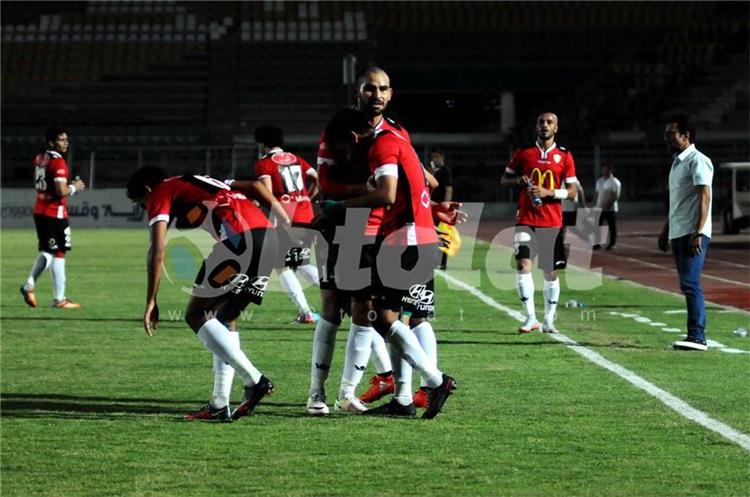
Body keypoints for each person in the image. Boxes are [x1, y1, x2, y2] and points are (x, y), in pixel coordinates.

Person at [321, 108, 457, 419]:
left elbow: (386, 194)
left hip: (406, 238)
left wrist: (337, 207)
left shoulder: (381, 145)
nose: (348, 155)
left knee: (384, 318)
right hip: (416, 234)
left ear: (353, 138)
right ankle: (404, 399)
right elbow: (429, 182)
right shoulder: (397, 139)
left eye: (345, 149)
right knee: (398, 318)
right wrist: (428, 216)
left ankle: (436, 381)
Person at [126, 167, 288, 421]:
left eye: (142, 202)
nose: (146, 207)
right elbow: (257, 187)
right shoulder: (204, 180)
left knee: (196, 314)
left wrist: (151, 300)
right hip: (270, 241)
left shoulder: (160, 190)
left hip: (239, 244)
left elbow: (157, 249)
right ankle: (219, 404)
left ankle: (255, 380)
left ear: (147, 190)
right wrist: (286, 220)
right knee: (225, 318)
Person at [307, 67, 405, 416]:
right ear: (357, 91)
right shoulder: (336, 129)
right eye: (369, 88)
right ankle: (316, 394)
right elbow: (326, 184)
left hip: (379, 232)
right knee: (332, 309)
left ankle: (347, 394)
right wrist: (363, 190)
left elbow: (408, 182)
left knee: (366, 312)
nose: (376, 95)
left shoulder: (396, 133)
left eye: (382, 89)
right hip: (340, 228)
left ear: (390, 94)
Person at [500, 112, 578, 334]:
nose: (545, 125)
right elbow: (504, 180)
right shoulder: (523, 153)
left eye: (549, 122)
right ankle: (530, 318)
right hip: (525, 219)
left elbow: (572, 191)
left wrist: (548, 192)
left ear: (556, 128)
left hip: (551, 221)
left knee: (550, 272)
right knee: (522, 265)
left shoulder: (564, 156)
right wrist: (518, 180)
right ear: (536, 127)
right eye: (541, 122)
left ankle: (549, 319)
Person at [253, 124, 320, 324]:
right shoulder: (296, 159)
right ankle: (343, 295)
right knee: (299, 263)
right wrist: (308, 199)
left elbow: (267, 192)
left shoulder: (264, 163)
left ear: (262, 143)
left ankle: (306, 313)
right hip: (306, 215)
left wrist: (256, 203)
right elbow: (318, 179)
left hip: (286, 217)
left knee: (281, 266)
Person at [658, 114, 713, 352]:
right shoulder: (677, 163)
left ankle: (697, 336)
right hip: (679, 230)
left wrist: (698, 232)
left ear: (685, 135)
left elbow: (705, 196)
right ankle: (694, 334)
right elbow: (677, 202)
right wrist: (666, 230)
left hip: (692, 231)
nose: (667, 138)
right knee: (686, 283)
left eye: (671, 133)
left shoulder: (698, 161)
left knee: (691, 282)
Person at [20, 126, 86, 309]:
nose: (66, 143)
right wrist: (75, 187)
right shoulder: (58, 162)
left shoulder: (40, 158)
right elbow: (61, 190)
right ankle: (58, 298)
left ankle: (32, 287)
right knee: (58, 252)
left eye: (66, 139)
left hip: (40, 209)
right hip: (54, 212)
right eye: (61, 140)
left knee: (50, 251)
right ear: (51, 142)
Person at [429, 148, 453, 270]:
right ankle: (433, 260)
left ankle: (442, 262)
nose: (434, 159)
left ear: (442, 157)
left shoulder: (445, 171)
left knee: (442, 234)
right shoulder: (433, 171)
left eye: (436, 157)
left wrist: (446, 206)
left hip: (440, 208)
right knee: (431, 233)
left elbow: (449, 189)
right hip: (432, 207)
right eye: (433, 157)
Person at [593, 162, 621, 250]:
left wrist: (609, 204)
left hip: (610, 209)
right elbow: (596, 194)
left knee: (612, 227)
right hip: (599, 207)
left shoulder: (615, 182)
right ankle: (597, 243)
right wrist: (594, 204)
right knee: (598, 226)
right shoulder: (599, 181)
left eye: (606, 170)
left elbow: (616, 195)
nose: (604, 171)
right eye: (603, 170)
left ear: (610, 170)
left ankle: (612, 243)